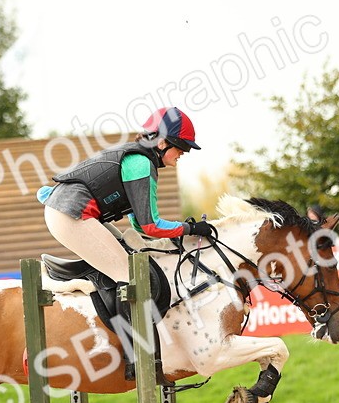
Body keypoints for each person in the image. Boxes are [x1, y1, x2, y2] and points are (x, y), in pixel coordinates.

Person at [37, 106, 213, 378]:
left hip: (68, 211)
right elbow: (150, 225)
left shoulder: (138, 159)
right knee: (131, 278)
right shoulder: (141, 164)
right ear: (162, 142)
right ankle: (136, 359)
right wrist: (189, 228)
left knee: (130, 258)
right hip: (71, 213)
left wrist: (179, 233)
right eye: (181, 148)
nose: (182, 155)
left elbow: (136, 224)